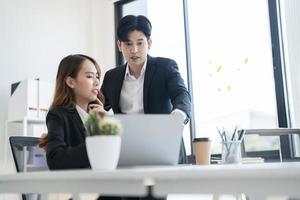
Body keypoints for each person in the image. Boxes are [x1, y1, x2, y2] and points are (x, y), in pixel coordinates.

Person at [101, 15, 191, 164]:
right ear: (119, 46)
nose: (134, 50)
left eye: (140, 43)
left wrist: (177, 117)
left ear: (149, 43)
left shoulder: (165, 67)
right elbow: (97, 104)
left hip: (165, 148)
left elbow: (181, 94)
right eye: (128, 44)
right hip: (128, 151)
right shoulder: (112, 77)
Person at [39, 54, 106, 169]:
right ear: (70, 82)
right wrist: (97, 145)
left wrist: (105, 123)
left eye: (97, 76)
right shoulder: (58, 115)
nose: (97, 82)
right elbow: (55, 159)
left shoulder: (99, 115)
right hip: (78, 184)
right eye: (90, 76)